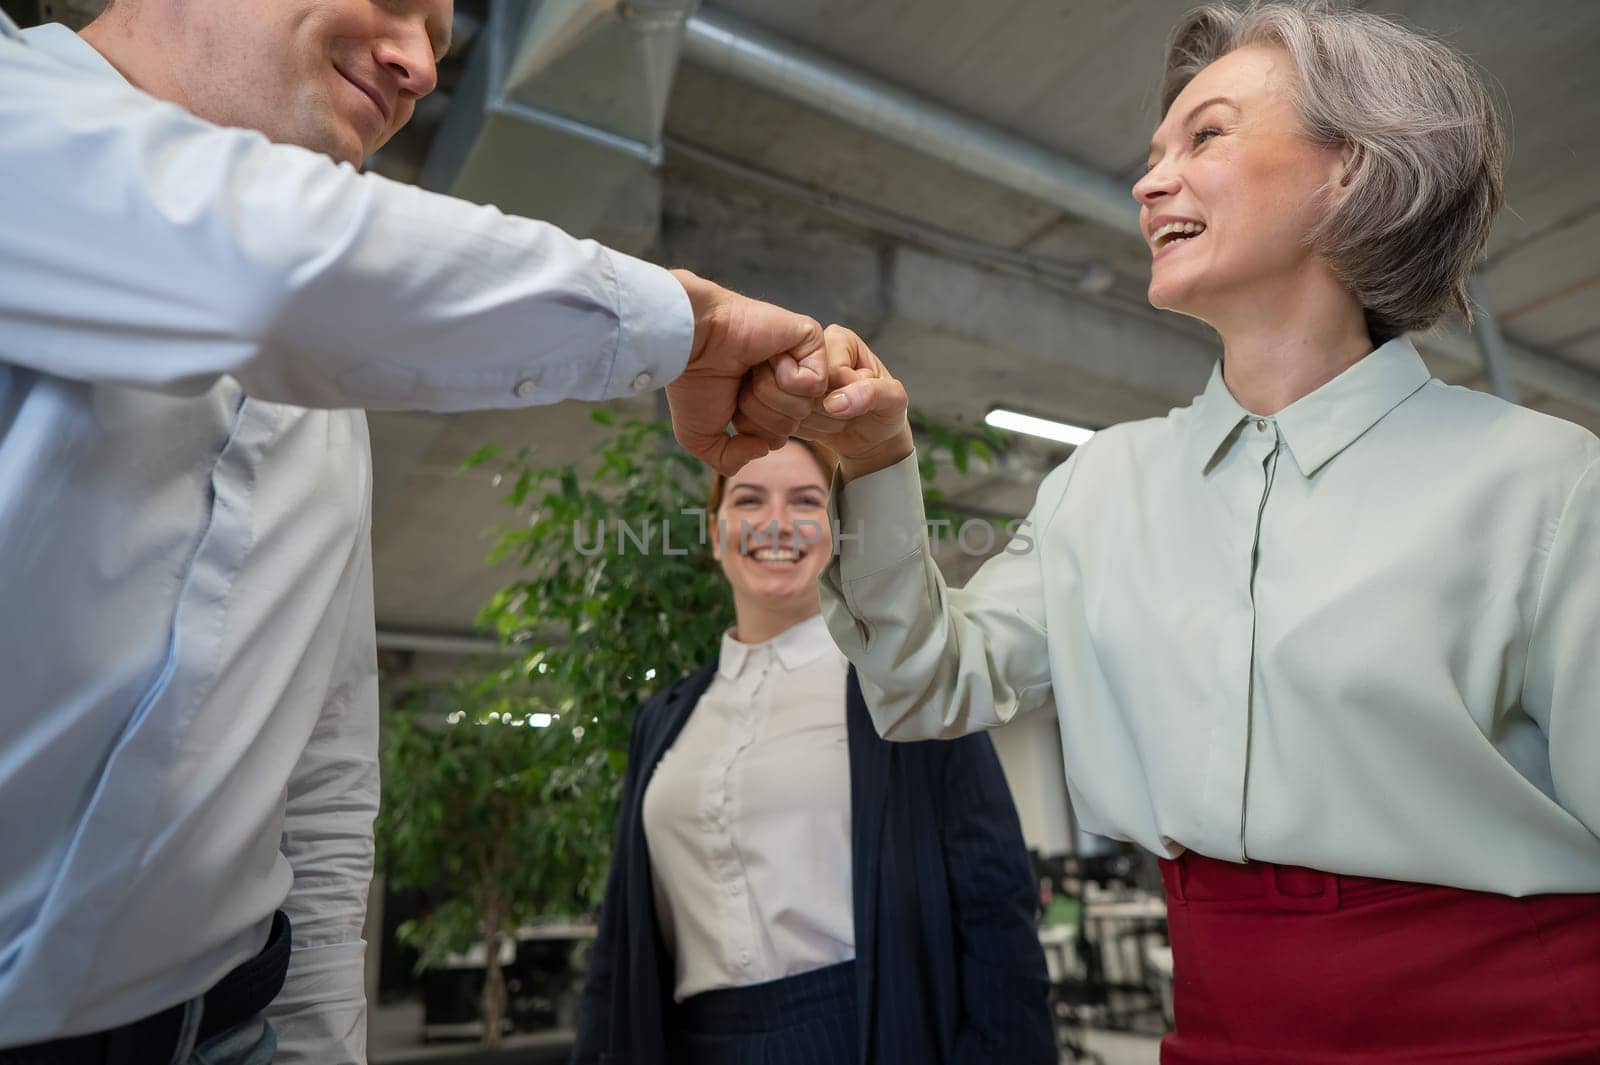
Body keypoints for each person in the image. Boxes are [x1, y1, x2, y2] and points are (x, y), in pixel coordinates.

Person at [0, 1, 843, 1061]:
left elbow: (319, 777)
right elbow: (252, 257)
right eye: (396, 4)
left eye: (441, 42)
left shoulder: (328, 408)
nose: (417, 67)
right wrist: (690, 327)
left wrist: (321, 1043)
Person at [772, 3, 1600, 1062]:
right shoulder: (1101, 485)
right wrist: (876, 459)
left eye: (1204, 136)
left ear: (1352, 168)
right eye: (1152, 151)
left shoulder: (1542, 483)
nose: (1147, 181)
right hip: (1222, 1027)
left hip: (1519, 1031)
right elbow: (930, 684)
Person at [571, 440, 1056, 1065]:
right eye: (748, 500)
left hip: (866, 1030)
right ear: (716, 535)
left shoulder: (904, 689)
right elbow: (618, 943)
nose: (776, 522)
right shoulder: (661, 720)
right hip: (694, 1040)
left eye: (805, 502)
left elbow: (996, 912)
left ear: (838, 535)